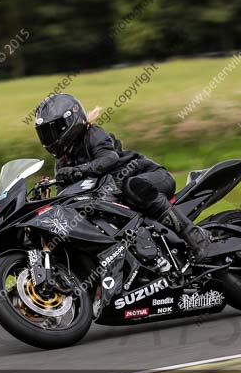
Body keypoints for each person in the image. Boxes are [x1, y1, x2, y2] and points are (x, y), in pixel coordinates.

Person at [33, 93, 210, 261]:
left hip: (152, 178)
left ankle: (195, 236)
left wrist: (80, 170)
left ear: (70, 121)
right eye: (44, 133)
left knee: (133, 187)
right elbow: (66, 196)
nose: (49, 138)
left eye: (53, 130)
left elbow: (109, 158)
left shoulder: (92, 133)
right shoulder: (62, 162)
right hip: (121, 197)